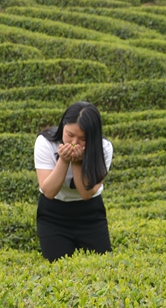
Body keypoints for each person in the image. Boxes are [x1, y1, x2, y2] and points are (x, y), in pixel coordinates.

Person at [34, 101, 113, 260]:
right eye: (69, 134)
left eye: (83, 138)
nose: (74, 142)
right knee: (57, 267)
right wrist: (63, 160)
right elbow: (48, 191)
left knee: (104, 264)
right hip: (53, 213)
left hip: (90, 213)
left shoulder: (103, 148)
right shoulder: (45, 142)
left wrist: (77, 162)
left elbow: (86, 193)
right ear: (63, 126)